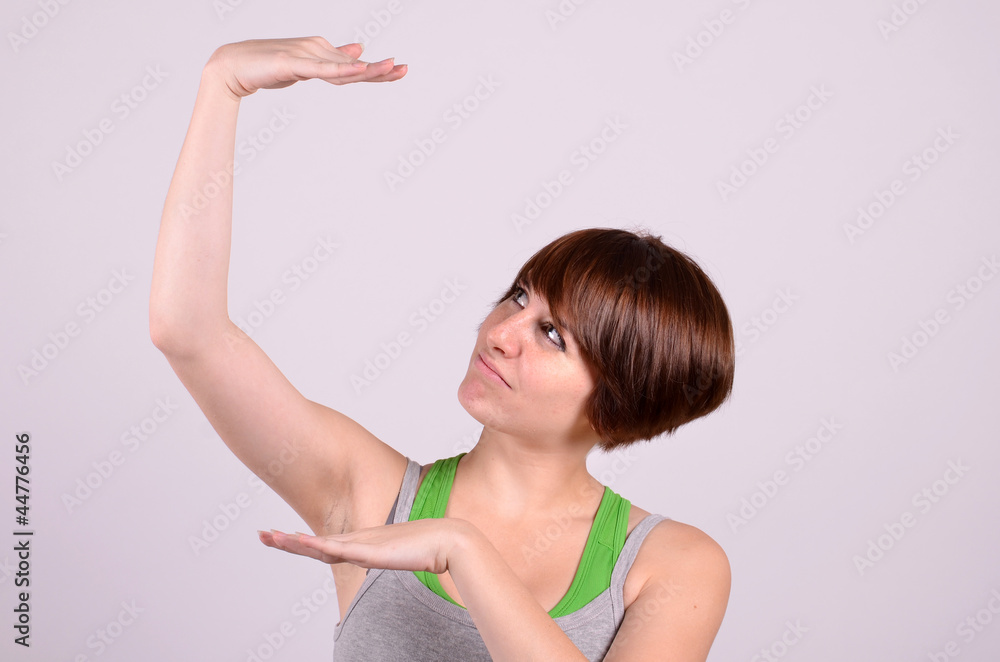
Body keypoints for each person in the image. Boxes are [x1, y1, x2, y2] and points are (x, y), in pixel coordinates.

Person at [150, 36, 734, 661]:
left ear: (621, 400)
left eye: (552, 334)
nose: (500, 333)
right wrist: (223, 85)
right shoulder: (368, 492)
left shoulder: (674, 564)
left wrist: (464, 550)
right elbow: (189, 332)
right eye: (518, 297)